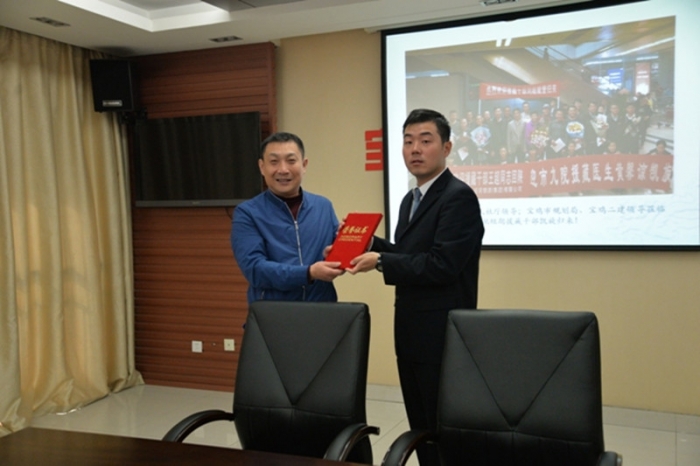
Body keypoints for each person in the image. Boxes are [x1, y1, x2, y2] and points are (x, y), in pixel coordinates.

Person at [348, 109, 484, 466]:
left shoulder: (458, 197)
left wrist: (380, 260)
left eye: (425, 141)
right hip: (410, 330)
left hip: (440, 333)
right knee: (420, 424)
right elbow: (409, 255)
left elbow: (442, 265)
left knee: (443, 427)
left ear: (446, 147)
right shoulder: (411, 199)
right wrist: (367, 243)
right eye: (408, 141)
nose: (415, 149)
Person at [231, 132, 344, 304]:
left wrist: (350, 238)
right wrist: (308, 273)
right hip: (273, 313)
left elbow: (337, 254)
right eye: (274, 162)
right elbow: (255, 269)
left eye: (291, 161)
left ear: (304, 165)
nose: (283, 169)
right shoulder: (247, 213)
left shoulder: (323, 206)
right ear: (262, 167)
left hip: (322, 308)